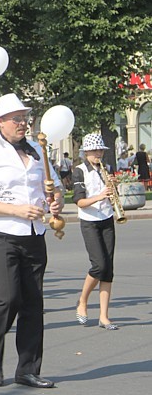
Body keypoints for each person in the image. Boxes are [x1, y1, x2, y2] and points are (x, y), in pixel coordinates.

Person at [0, 93, 63, 388]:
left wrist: (55, 202)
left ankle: (27, 369)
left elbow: (55, 188)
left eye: (25, 118)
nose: (23, 123)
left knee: (33, 302)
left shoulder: (37, 150)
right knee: (7, 298)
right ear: (0, 122)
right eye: (17, 119)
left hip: (33, 233)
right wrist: (15, 210)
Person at [72, 133, 119, 330]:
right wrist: (100, 196)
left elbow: (108, 195)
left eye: (100, 150)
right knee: (98, 266)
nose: (98, 154)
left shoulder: (104, 169)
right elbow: (79, 201)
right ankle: (82, 301)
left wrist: (113, 192)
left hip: (107, 218)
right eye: (95, 151)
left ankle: (104, 316)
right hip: (89, 221)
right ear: (86, 152)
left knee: (108, 269)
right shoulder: (79, 171)